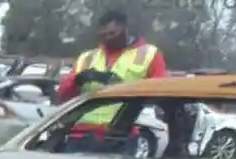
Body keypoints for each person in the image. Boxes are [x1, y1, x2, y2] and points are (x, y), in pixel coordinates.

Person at [56, 10, 166, 144]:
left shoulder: (149, 54)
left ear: (125, 28)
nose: (108, 38)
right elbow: (63, 94)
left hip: (121, 135)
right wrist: (77, 80)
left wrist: (123, 86)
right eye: (103, 35)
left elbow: (161, 92)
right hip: (81, 134)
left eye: (113, 33)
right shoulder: (87, 57)